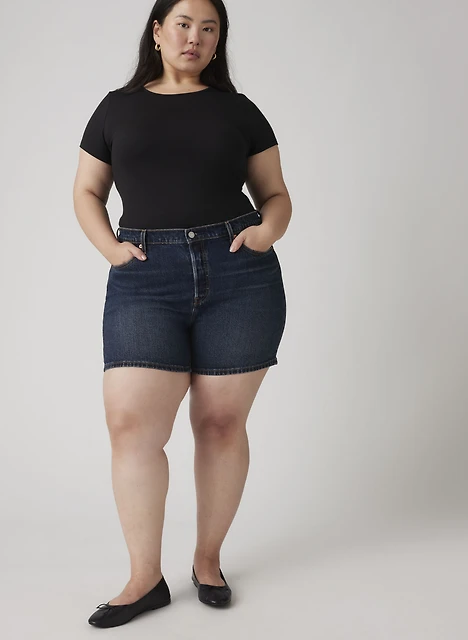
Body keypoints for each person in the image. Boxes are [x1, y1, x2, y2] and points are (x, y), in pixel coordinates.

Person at [73, 0, 292, 628]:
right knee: (131, 426)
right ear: (158, 31)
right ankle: (144, 579)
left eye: (209, 28)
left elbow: (275, 194)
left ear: (219, 40)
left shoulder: (239, 110)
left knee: (220, 424)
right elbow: (87, 191)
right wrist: (111, 249)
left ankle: (207, 560)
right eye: (184, 24)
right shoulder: (116, 108)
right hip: (146, 276)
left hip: (238, 273)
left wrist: (265, 233)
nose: (195, 37)